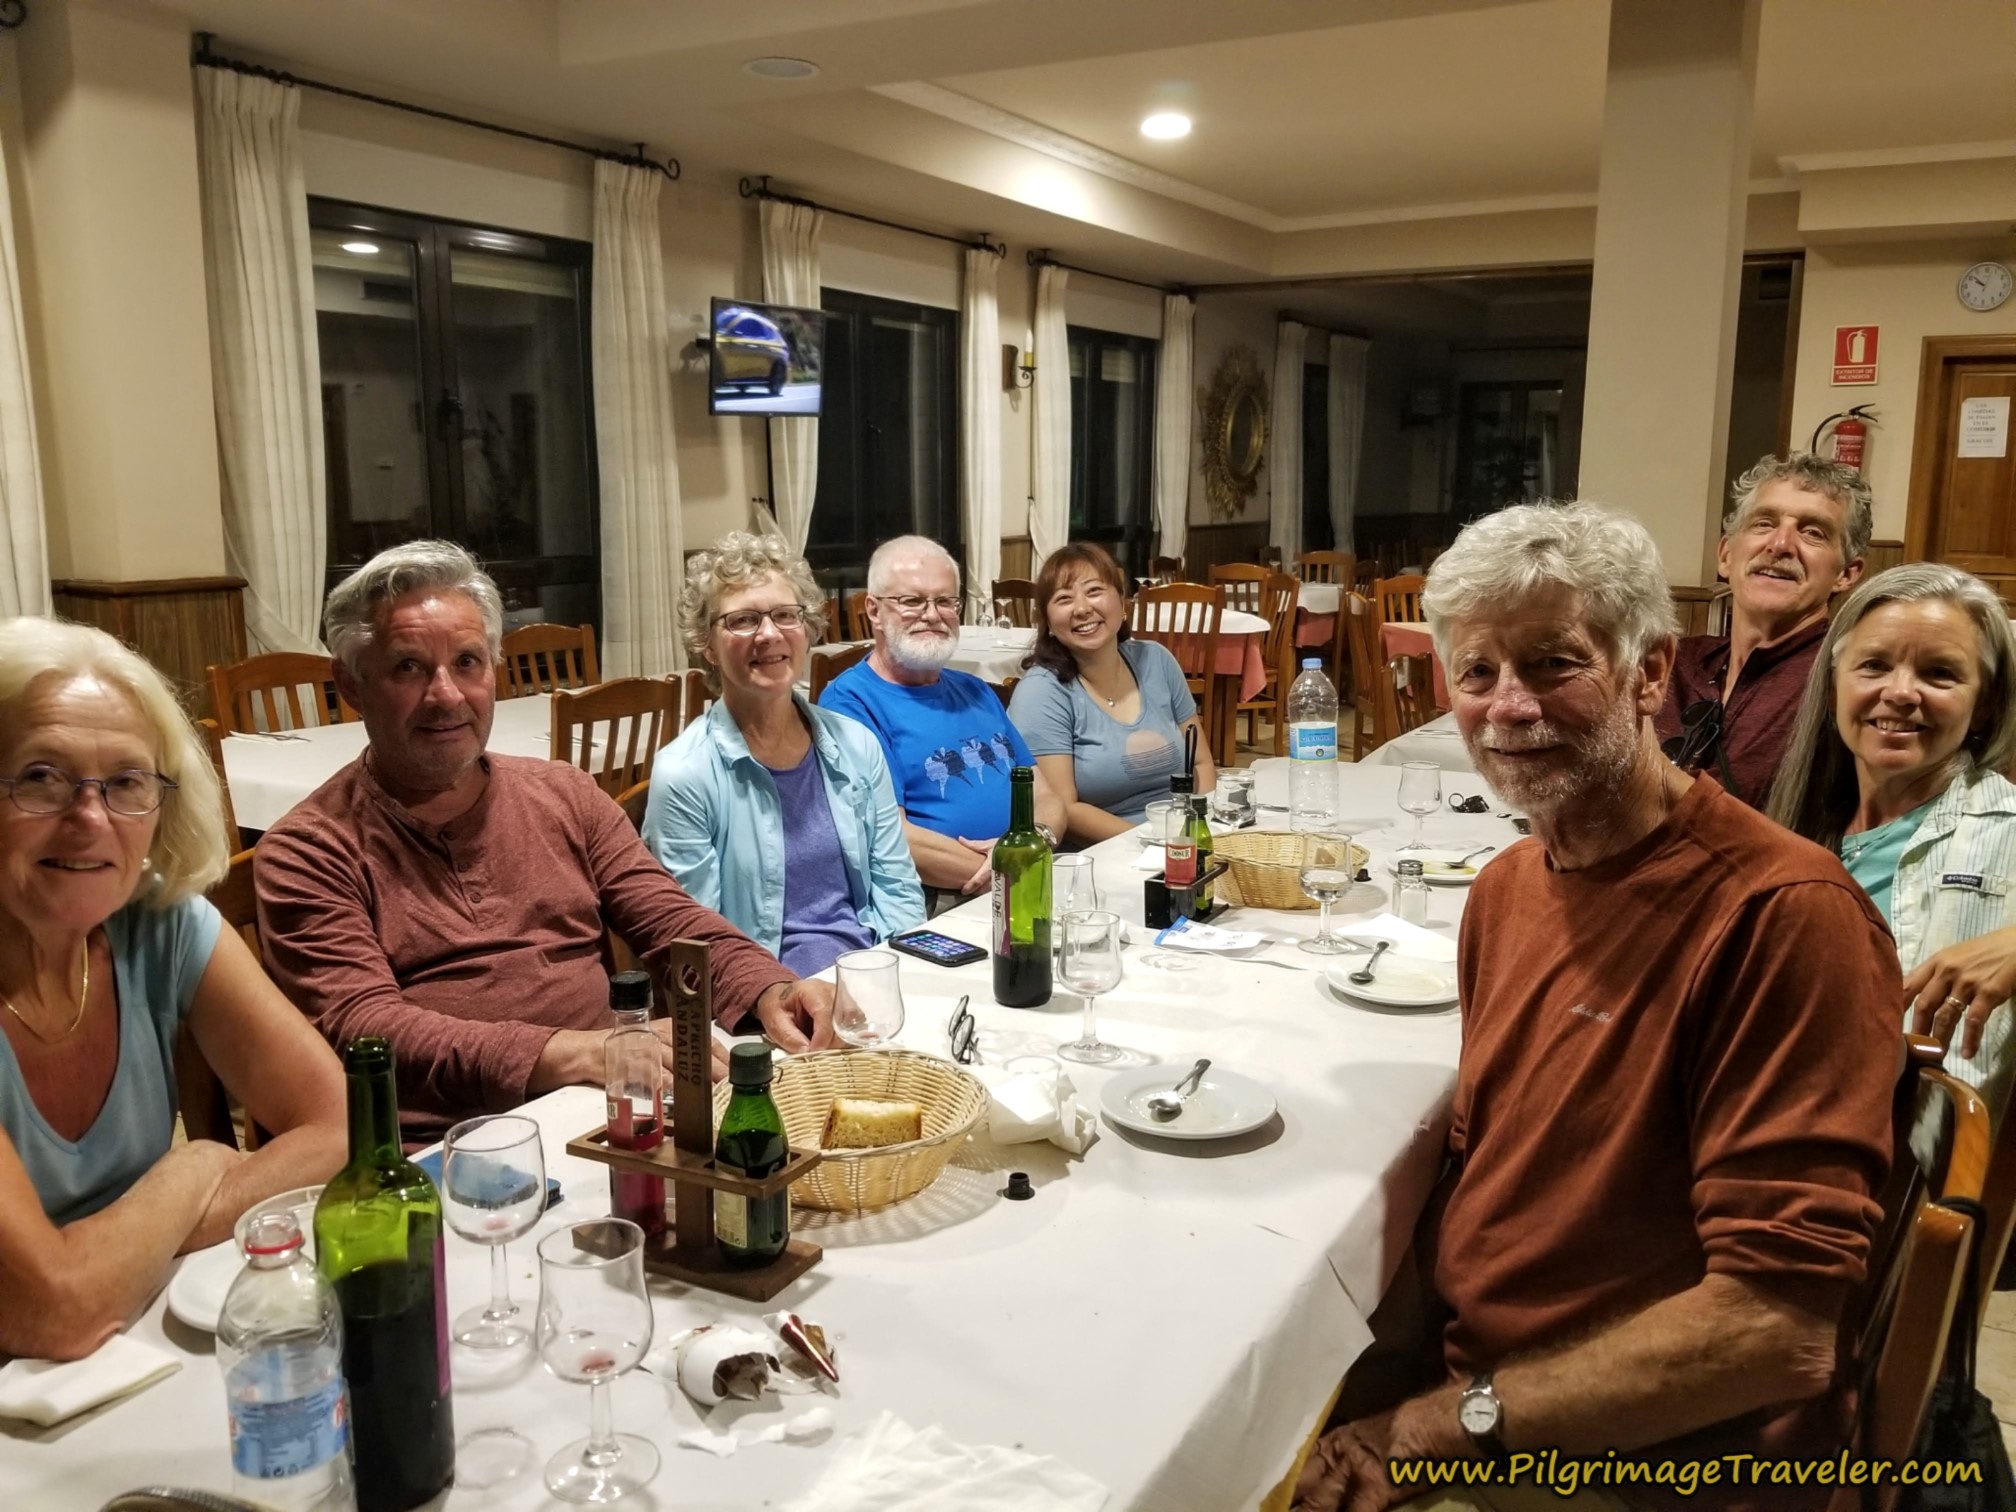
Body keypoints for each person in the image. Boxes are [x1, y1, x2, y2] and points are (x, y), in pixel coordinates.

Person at [1297, 502, 1900, 1512]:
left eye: (1554, 664)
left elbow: (1774, 1331)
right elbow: (1482, 1175)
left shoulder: (1785, 916)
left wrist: (1436, 1427)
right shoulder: (1507, 888)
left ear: (1650, 672)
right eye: (1477, 673)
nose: (1508, 707)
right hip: (1486, 1387)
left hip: (1652, 1461)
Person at [255, 542, 836, 1150]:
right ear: (351, 684)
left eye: (468, 662)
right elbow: (367, 1027)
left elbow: (672, 920)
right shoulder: (308, 851)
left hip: (610, 1115)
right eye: (408, 668)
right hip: (443, 1150)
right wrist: (568, 1052)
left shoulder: (565, 794)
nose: (446, 694)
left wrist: (770, 989)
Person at [0, 619, 345, 1361]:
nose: (90, 818)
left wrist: (109, 1259)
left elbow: (338, 1126)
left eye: (127, 782)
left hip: (120, 1355)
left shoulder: (161, 924)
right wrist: (193, 1167)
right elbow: (50, 1312)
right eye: (40, 777)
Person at [1767, 562, 2016, 1120]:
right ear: (1833, 687)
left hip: (1909, 1162)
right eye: (1874, 665)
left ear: (1986, 704)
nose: (1900, 693)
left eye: (1939, 674)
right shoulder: (1786, 837)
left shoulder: (2007, 827)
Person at [644, 532, 924, 976]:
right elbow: (698, 943)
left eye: (785, 615)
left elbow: (898, 889)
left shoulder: (857, 745)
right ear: (706, 644)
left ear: (807, 629)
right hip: (766, 992)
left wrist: (899, 976)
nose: (769, 634)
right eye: (742, 620)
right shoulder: (685, 773)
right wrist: (780, 995)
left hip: (873, 974)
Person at [818, 536, 1066, 902]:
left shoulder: (976, 689)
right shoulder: (850, 703)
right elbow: (888, 834)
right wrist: (1008, 873)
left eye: (945, 601)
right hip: (940, 898)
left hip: (1025, 876)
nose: (932, 615)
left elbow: (1046, 796)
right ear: (873, 610)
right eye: (912, 601)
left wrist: (1037, 840)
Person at [1654, 453, 1872, 806]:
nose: (1780, 545)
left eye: (1813, 533)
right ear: (1726, 555)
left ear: (1846, 574)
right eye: (1763, 523)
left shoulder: (1847, 681)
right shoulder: (1673, 663)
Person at [1007, 542, 1215, 842]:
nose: (1082, 609)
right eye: (1064, 598)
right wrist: (1159, 843)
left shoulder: (1156, 660)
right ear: (1047, 621)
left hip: (1185, 837)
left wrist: (1201, 829)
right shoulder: (1040, 692)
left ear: (1123, 601)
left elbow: (1201, 763)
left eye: (1094, 591)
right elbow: (1063, 807)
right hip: (1108, 850)